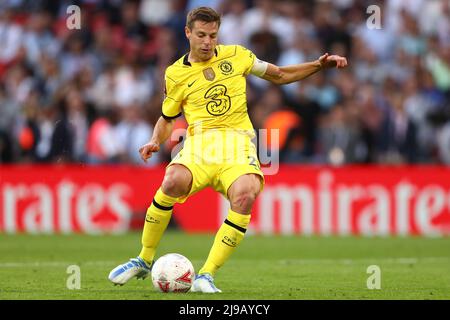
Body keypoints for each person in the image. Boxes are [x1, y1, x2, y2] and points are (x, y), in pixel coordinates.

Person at [108, 6, 347, 293]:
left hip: (237, 144)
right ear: (188, 33)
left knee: (245, 196)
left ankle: (205, 275)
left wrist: (318, 65)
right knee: (172, 181)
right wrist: (155, 140)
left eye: (213, 35)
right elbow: (168, 118)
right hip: (199, 146)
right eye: (201, 35)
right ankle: (144, 259)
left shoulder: (237, 55)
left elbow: (280, 74)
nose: (208, 42)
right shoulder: (175, 74)